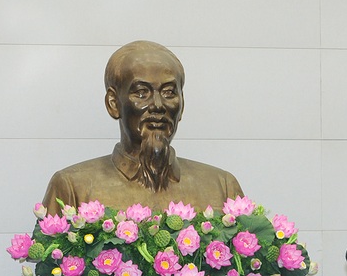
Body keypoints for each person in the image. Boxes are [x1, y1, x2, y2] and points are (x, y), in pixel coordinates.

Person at [42, 40, 243, 214]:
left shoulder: (221, 187)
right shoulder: (72, 188)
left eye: (169, 92)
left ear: (182, 105)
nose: (158, 105)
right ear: (113, 103)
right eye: (141, 93)